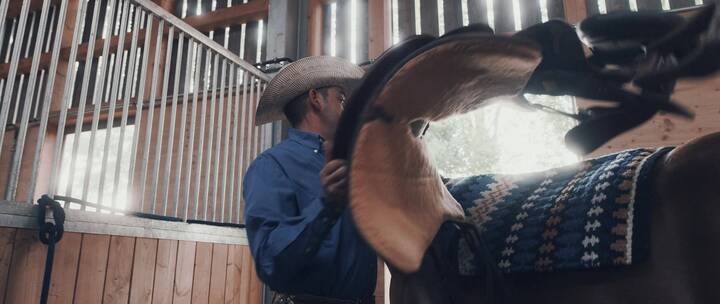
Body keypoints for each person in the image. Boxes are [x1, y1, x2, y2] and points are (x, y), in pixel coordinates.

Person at [243, 56, 377, 304]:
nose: (348, 109)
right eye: (341, 99)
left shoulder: (355, 164)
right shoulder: (270, 166)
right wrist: (326, 206)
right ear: (316, 99)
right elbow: (270, 262)